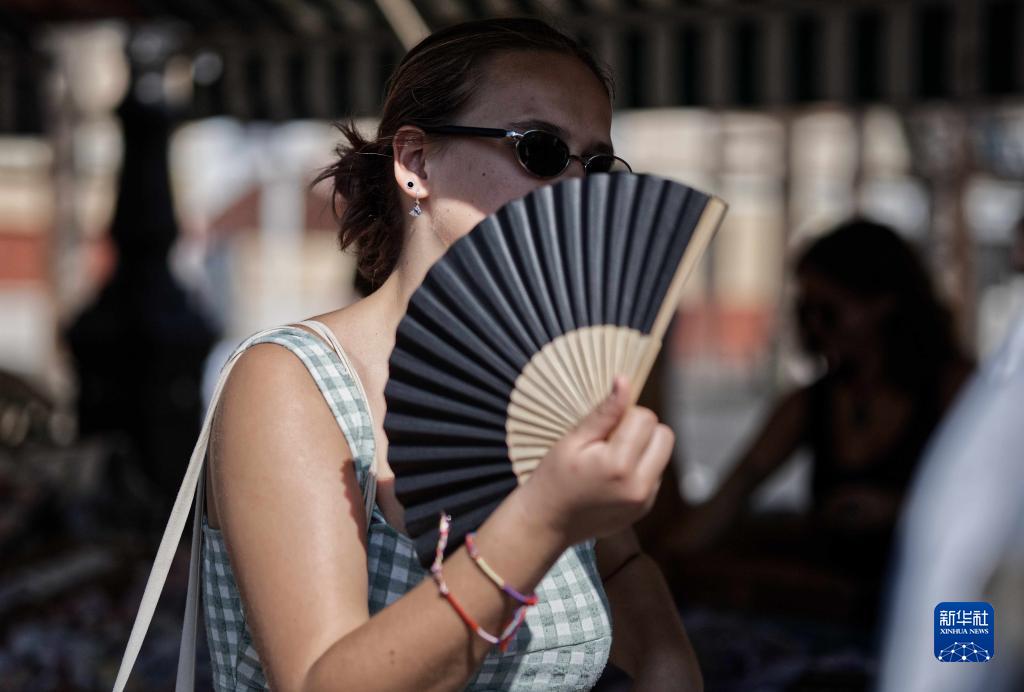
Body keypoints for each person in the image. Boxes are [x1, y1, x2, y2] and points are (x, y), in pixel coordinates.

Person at [203, 17, 701, 692]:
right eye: (542, 150)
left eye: (596, 166)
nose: (575, 188)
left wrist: (668, 660)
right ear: (415, 163)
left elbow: (619, 564)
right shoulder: (295, 382)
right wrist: (541, 519)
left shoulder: (547, 377)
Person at [653, 220, 973, 622]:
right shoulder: (811, 402)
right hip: (837, 605)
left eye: (829, 312)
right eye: (805, 313)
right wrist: (655, 567)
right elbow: (736, 489)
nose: (815, 327)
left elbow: (991, 511)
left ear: (883, 304)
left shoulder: (955, 391)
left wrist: (900, 510)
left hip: (936, 601)